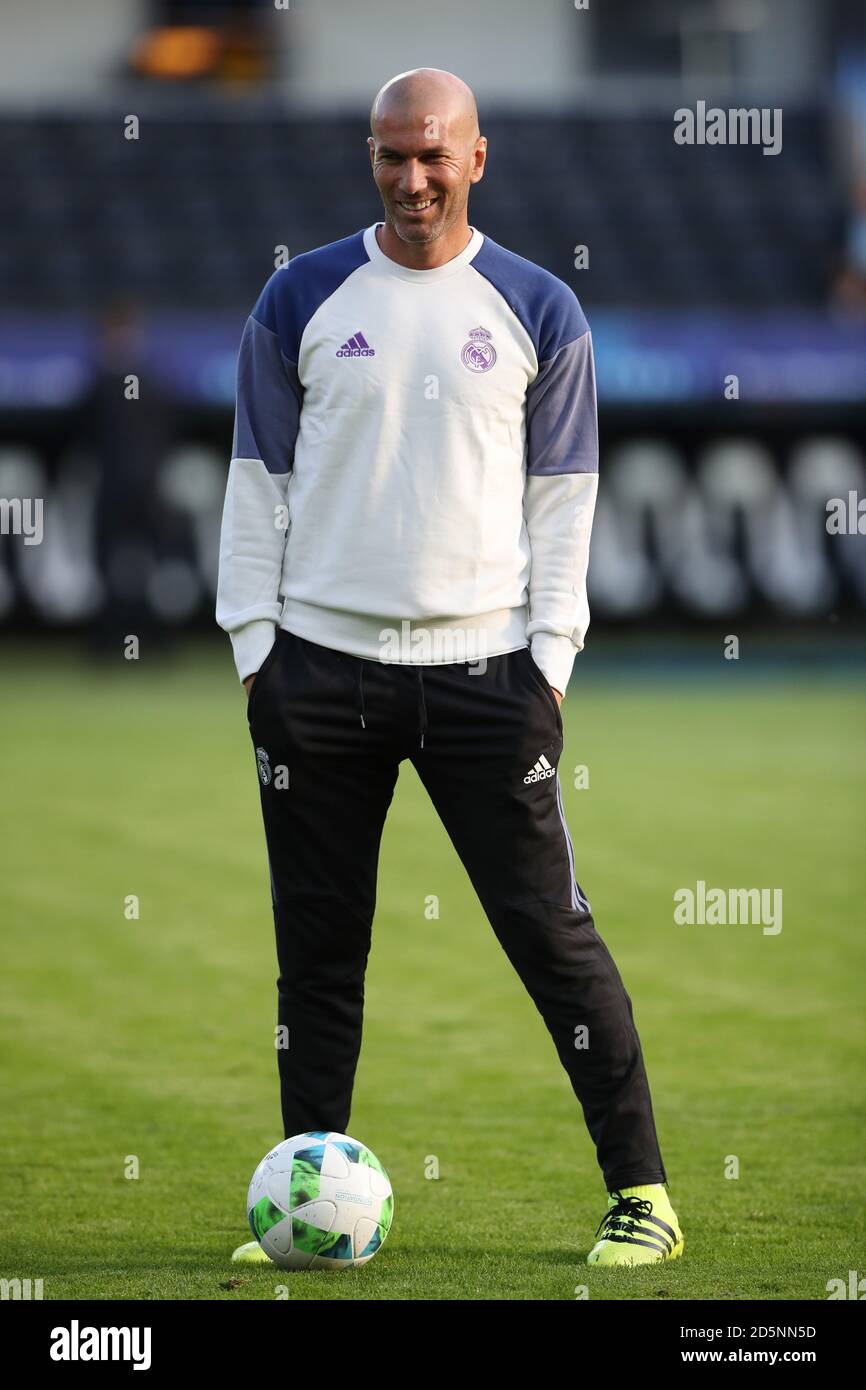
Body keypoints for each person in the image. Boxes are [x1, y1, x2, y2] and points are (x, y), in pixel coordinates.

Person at [217, 67, 683, 1268]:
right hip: (315, 677)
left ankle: (641, 1194)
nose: (411, 178)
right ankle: (308, 1213)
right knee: (317, 954)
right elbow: (255, 488)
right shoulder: (299, 297)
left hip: (487, 683)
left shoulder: (538, 307)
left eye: (433, 155)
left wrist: (551, 665)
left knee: (552, 939)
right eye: (389, 155)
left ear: (478, 158)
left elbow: (563, 505)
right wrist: (256, 655)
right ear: (367, 157)